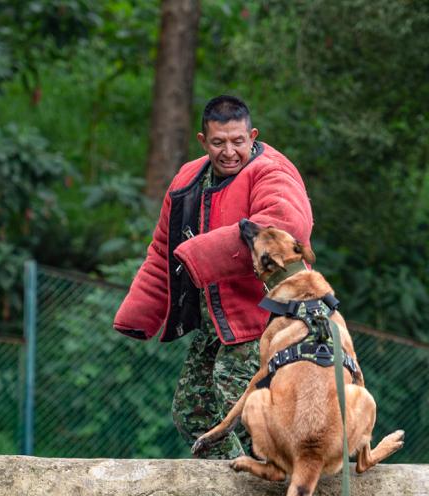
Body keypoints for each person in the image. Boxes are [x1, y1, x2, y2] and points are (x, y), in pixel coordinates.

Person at [113, 95, 313, 459]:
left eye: (238, 141)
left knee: (234, 392)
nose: (230, 152)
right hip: (216, 321)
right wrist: (140, 312)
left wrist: (200, 254)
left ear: (252, 135)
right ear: (203, 141)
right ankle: (227, 485)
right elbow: (164, 249)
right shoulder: (187, 180)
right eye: (219, 142)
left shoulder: (272, 171)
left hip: (266, 317)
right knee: (192, 412)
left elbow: (283, 228)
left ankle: (281, 472)